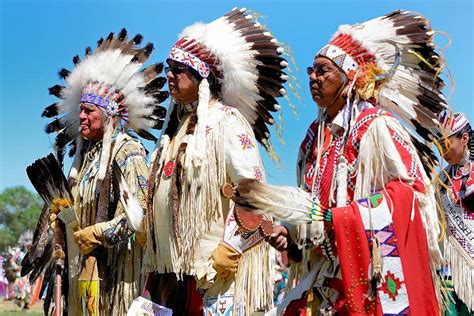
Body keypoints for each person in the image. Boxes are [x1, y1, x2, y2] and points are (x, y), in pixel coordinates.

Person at [235, 10, 449, 315]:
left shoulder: (377, 126)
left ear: (349, 77)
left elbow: (413, 195)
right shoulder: (312, 138)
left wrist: (345, 218)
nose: (313, 77)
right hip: (324, 277)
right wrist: (292, 234)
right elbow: (311, 206)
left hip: (370, 277)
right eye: (311, 70)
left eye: (323, 71)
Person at [142, 8, 292, 315]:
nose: (169, 75)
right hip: (169, 272)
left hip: (213, 272)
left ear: (202, 76)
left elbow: (253, 189)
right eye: (168, 68)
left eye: (178, 69)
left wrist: (232, 246)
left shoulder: (228, 122)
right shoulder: (173, 133)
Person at [39, 29, 168, 315]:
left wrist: (99, 232)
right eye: (80, 110)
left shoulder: (128, 151)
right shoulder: (84, 159)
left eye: (88, 110)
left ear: (108, 113)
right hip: (83, 275)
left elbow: (140, 215)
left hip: (119, 277)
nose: (81, 116)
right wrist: (59, 222)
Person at [437, 111, 473, 314]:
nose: (442, 151)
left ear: (464, 138)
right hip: (449, 272)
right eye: (439, 145)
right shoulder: (440, 181)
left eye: (445, 144)